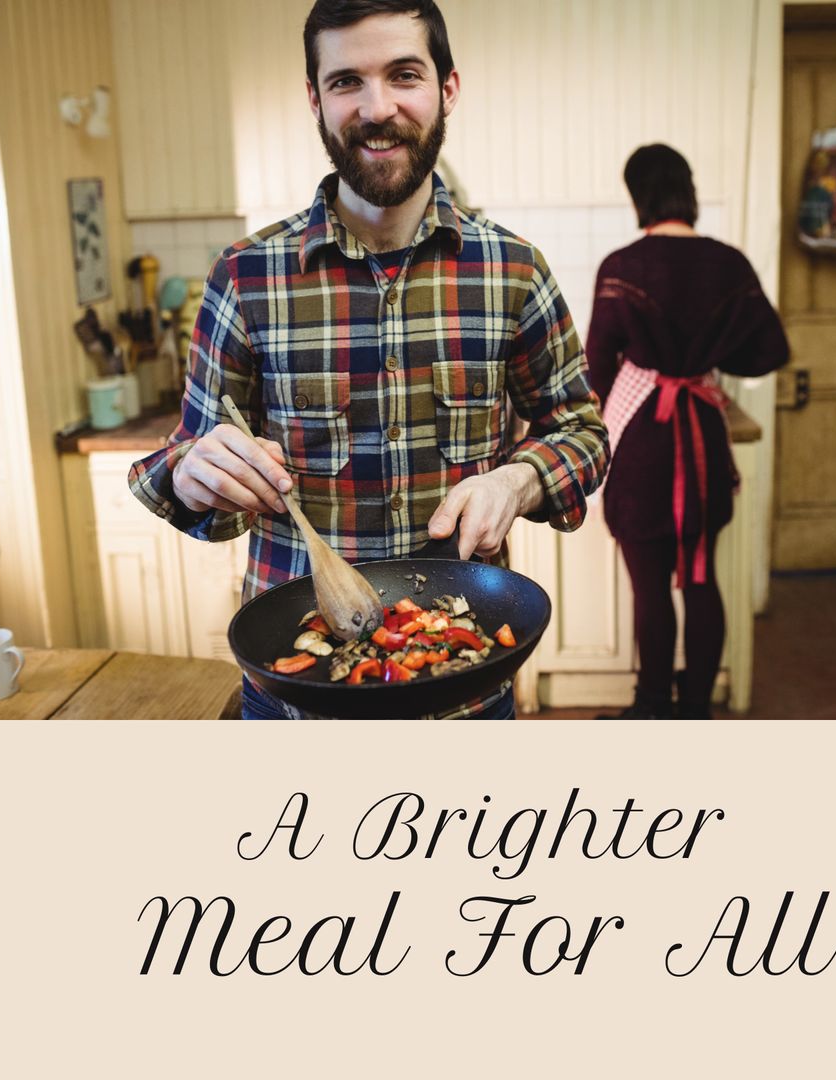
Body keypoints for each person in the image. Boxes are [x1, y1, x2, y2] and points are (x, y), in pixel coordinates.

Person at [127, 0, 608, 720]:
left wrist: (518, 480)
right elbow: (187, 458)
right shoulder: (246, 277)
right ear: (317, 100)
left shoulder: (514, 271)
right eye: (348, 81)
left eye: (403, 75)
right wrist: (196, 475)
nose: (377, 107)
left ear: (447, 88)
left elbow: (582, 432)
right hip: (296, 700)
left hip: (466, 690)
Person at [586, 144, 788, 719]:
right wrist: (708, 358)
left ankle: (652, 707)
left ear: (638, 195)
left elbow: (596, 371)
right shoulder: (730, 263)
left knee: (650, 587)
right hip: (701, 432)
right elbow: (770, 350)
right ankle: (694, 710)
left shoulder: (623, 266)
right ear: (687, 190)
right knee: (701, 579)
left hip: (643, 444)